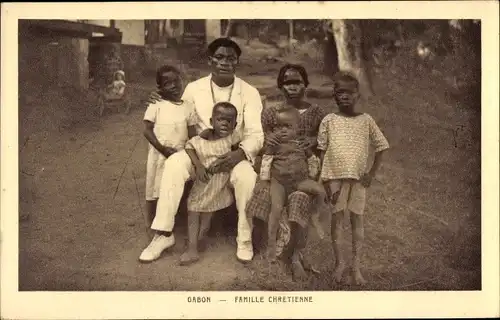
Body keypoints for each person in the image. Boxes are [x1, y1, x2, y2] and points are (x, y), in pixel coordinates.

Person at [139, 38, 264, 263]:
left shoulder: (249, 92)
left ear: (237, 62)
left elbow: (255, 133)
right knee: (175, 164)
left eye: (231, 58)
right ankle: (163, 234)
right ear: (210, 60)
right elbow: (177, 109)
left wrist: (241, 153)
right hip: (199, 152)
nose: (225, 62)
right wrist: (158, 99)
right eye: (219, 57)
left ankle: (244, 238)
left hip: (232, 154)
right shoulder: (194, 88)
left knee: (247, 177)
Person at [246, 63, 331, 280]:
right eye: (287, 83)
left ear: (305, 84)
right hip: (278, 173)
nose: (292, 87)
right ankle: (270, 247)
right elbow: (263, 144)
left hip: (303, 173)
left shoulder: (317, 113)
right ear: (281, 86)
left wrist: (311, 142)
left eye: (297, 82)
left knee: (304, 197)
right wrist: (269, 141)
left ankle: (296, 254)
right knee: (267, 199)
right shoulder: (273, 113)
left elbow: (324, 143)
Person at [318, 72, 390, 285]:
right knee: (337, 219)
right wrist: (324, 179)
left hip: (358, 179)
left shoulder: (366, 120)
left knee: (357, 219)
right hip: (334, 179)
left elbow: (381, 146)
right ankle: (340, 263)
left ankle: (356, 267)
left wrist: (371, 174)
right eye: (340, 92)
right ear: (334, 96)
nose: (345, 96)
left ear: (357, 95)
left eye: (349, 93)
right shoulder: (329, 120)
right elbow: (321, 150)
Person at [259, 105, 327, 263]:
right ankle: (271, 246)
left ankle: (315, 215)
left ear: (298, 128)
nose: (283, 130)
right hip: (279, 182)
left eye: (288, 127)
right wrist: (264, 180)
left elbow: (312, 162)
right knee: (275, 210)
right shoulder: (274, 145)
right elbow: (266, 162)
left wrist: (311, 175)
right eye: (279, 127)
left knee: (320, 190)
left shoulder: (301, 144)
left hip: (299, 180)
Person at [181, 102, 239, 266]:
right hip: (204, 182)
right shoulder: (200, 140)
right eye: (220, 119)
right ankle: (194, 246)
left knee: (206, 213)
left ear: (235, 124)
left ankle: (196, 244)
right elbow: (189, 147)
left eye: (230, 121)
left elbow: (240, 152)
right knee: (194, 210)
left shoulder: (232, 139)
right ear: (211, 121)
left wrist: (227, 162)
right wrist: (198, 166)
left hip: (219, 184)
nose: (225, 123)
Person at [143, 65, 198, 230]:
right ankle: (152, 223)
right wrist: (162, 149)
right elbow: (146, 130)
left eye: (176, 81)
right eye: (168, 83)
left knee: (178, 186)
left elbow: (192, 134)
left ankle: (176, 221)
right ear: (160, 88)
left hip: (179, 153)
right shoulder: (156, 104)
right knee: (154, 187)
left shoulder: (188, 106)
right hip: (159, 154)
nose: (174, 86)